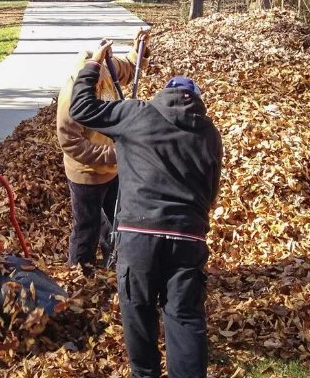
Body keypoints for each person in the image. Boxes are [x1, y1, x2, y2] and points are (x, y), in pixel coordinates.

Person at [69, 41, 223, 378]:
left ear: (163, 94)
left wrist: (93, 66)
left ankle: (144, 374)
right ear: (197, 102)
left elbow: (81, 109)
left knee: (137, 312)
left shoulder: (136, 114)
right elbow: (211, 190)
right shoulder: (209, 133)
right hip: (187, 235)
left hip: (138, 235)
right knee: (184, 316)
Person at [55, 29, 150, 272]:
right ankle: (79, 274)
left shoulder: (107, 69)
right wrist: (111, 155)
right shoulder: (74, 89)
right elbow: (69, 141)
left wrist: (138, 48)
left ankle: (114, 267)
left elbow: (128, 68)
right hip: (86, 172)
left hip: (114, 168)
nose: (107, 74)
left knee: (120, 219)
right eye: (101, 70)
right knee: (86, 226)